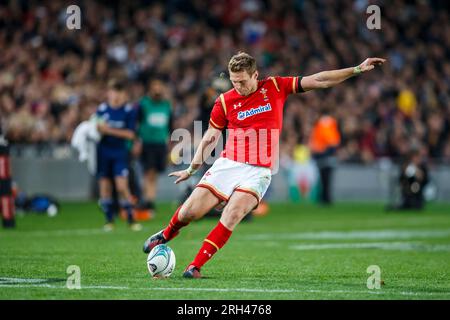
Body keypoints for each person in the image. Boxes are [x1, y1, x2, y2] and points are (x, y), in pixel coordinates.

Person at [142, 52, 386, 278]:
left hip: (258, 171)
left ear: (255, 75)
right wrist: (192, 169)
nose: (238, 86)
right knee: (190, 212)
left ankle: (195, 266)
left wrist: (356, 69)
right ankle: (165, 234)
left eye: (242, 81)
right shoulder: (225, 101)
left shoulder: (276, 86)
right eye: (234, 81)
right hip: (228, 164)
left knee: (233, 213)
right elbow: (210, 137)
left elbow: (318, 80)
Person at [95, 79, 142, 232]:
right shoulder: (102, 110)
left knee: (122, 186)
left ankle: (131, 219)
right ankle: (109, 221)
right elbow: (95, 129)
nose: (116, 96)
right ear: (109, 93)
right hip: (103, 152)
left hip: (119, 152)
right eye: (114, 91)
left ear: (124, 94)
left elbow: (130, 134)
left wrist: (108, 130)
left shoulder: (128, 111)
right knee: (105, 186)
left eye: (119, 92)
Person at [134, 79, 173, 216]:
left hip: (160, 143)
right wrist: (137, 141)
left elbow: (170, 126)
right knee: (148, 172)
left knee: (154, 173)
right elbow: (137, 123)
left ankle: (149, 200)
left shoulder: (167, 105)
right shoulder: (143, 104)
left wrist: (170, 143)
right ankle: (148, 200)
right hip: (147, 142)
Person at [308, 107, 341, 204]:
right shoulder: (331, 123)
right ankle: (326, 198)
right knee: (327, 179)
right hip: (328, 155)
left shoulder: (322, 124)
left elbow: (320, 140)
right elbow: (335, 140)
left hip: (322, 154)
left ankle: (324, 198)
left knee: (323, 179)